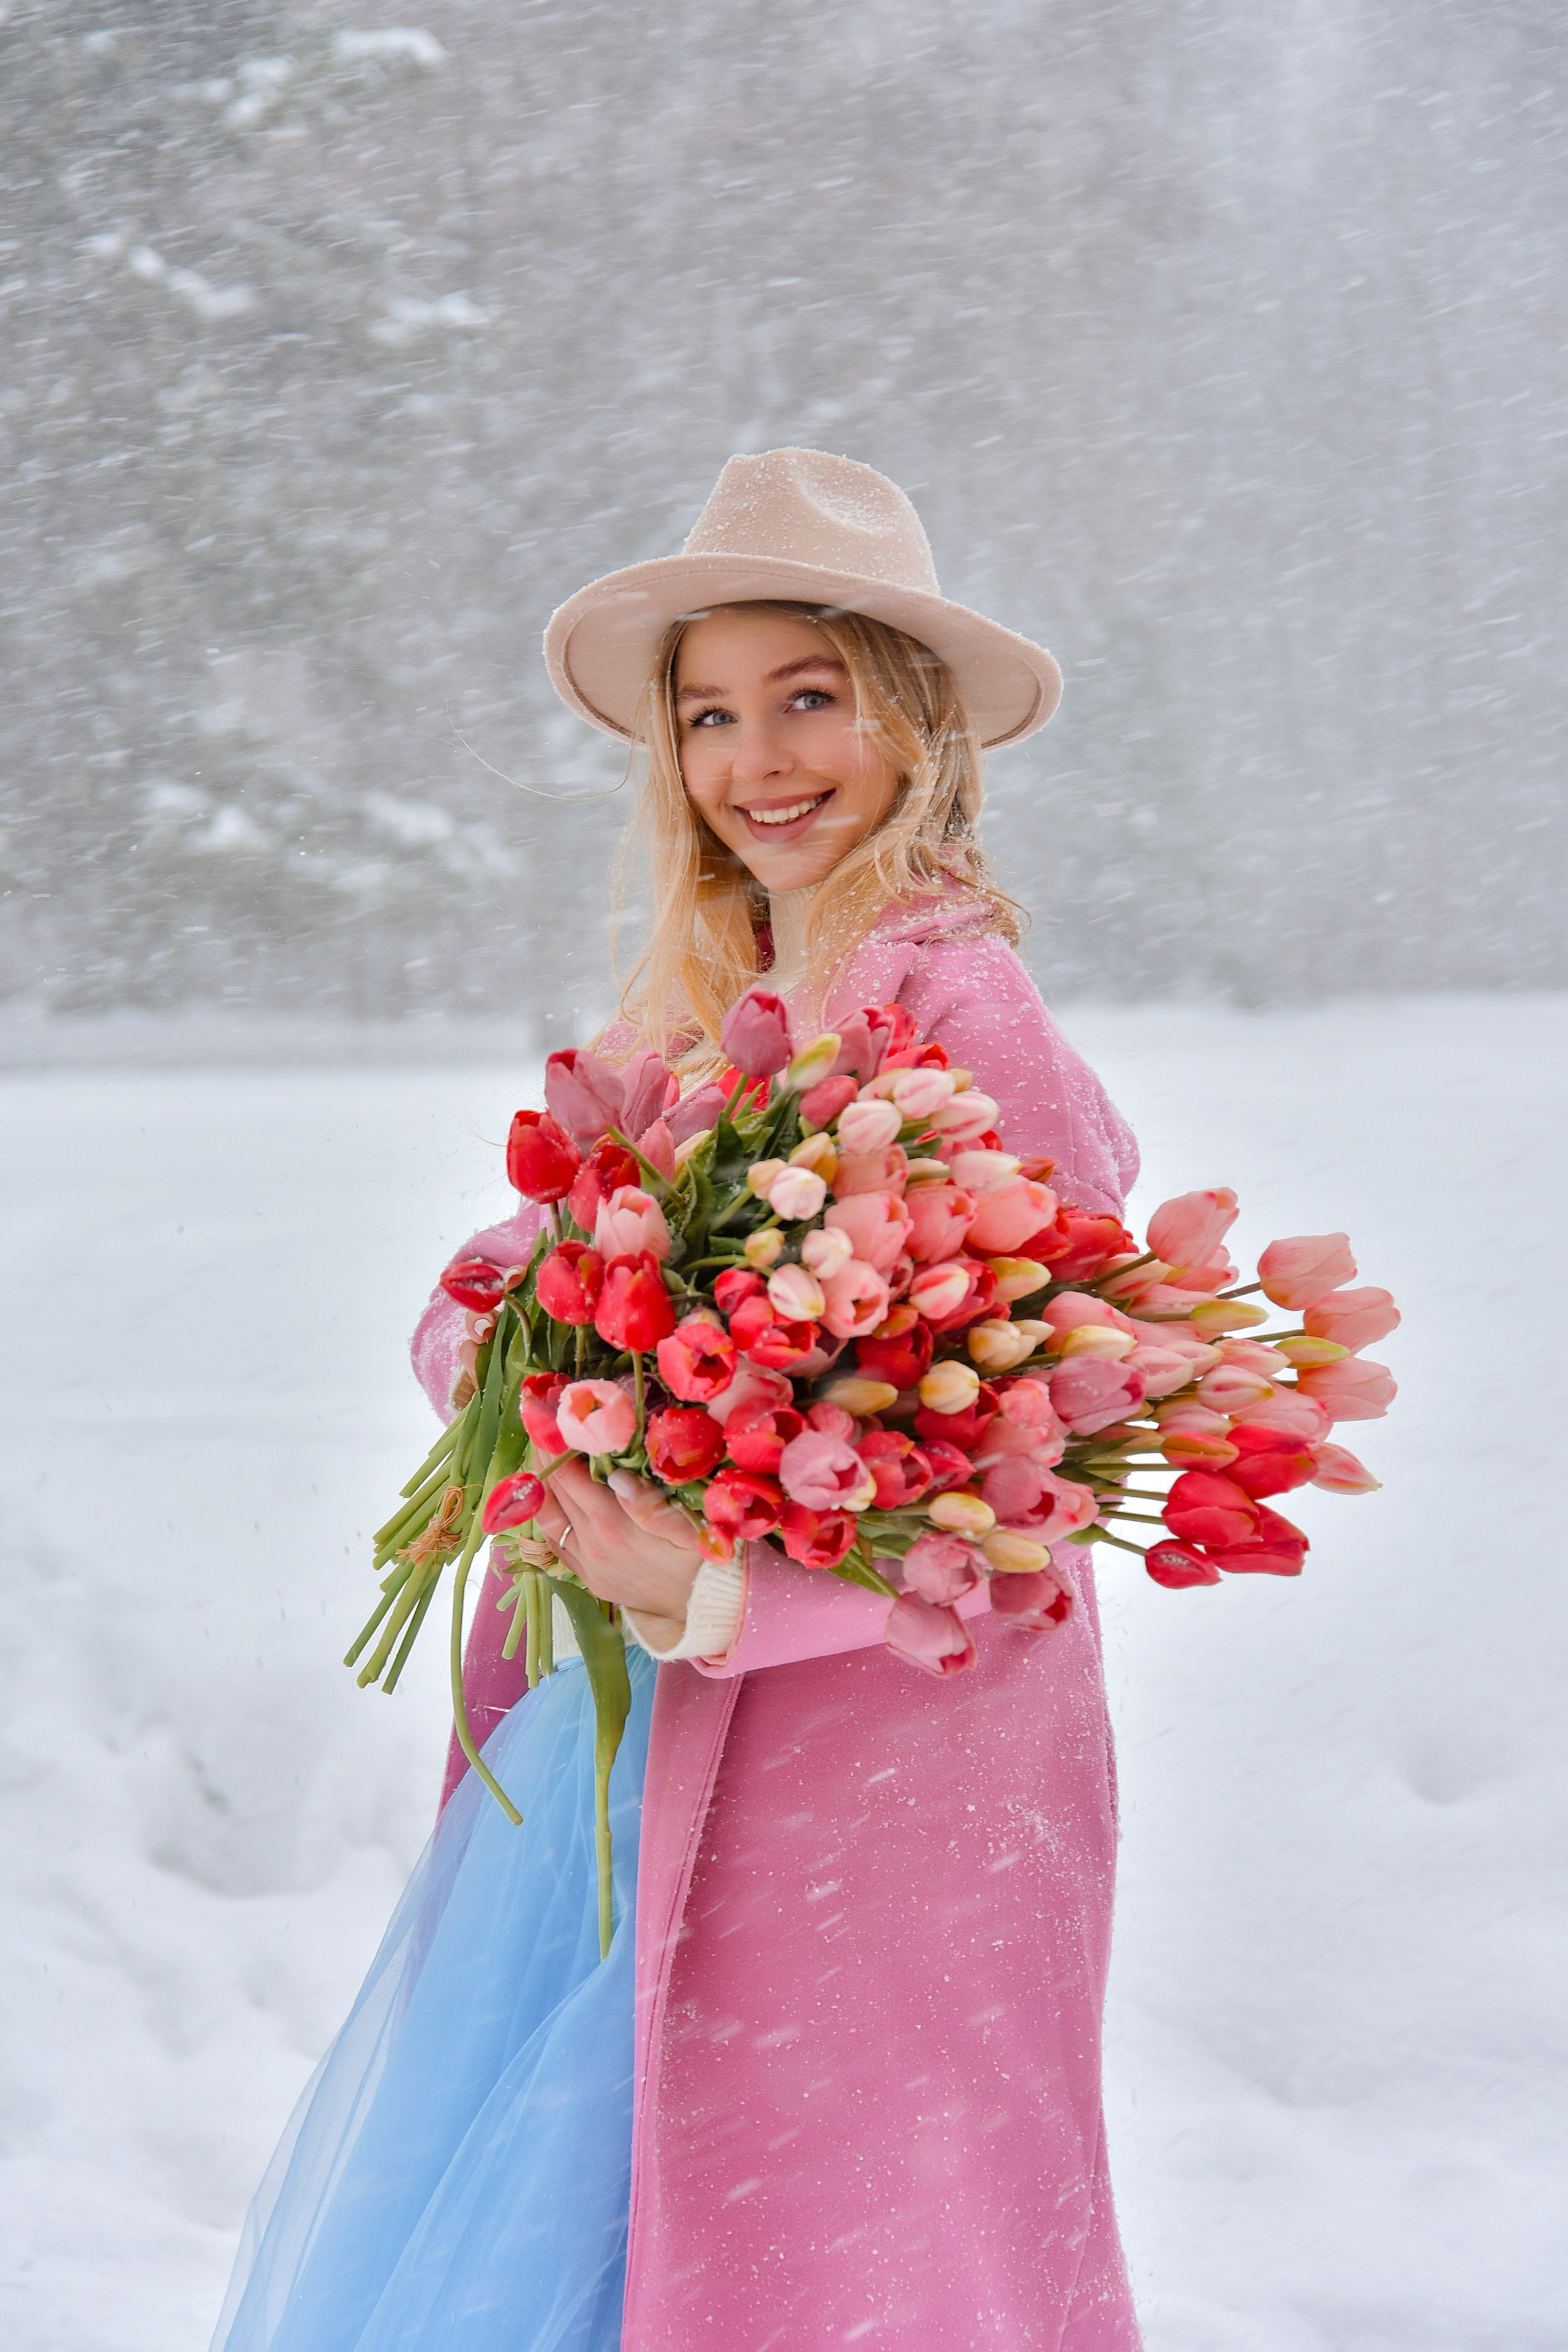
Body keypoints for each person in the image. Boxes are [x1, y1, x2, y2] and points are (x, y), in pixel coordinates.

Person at [212, 449, 1144, 2351]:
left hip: (896, 1762)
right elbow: (507, 1281)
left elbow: (1045, 1456)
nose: (758, 758)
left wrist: (735, 1592)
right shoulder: (715, 1003)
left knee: (854, 2226)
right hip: (658, 1724)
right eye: (711, 712)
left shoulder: (967, 1026)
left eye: (809, 696)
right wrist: (536, 1368)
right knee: (650, 2214)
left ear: (911, 724)